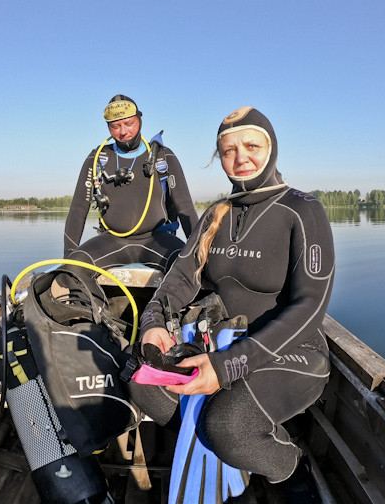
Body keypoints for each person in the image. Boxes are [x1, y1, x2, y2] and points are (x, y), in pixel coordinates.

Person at [130, 106, 335, 496]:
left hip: (294, 352)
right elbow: (179, 281)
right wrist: (153, 322)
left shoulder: (302, 210)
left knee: (228, 425)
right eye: (228, 150)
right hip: (224, 344)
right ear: (219, 157)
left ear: (271, 149)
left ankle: (291, 472)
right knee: (142, 380)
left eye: (252, 145)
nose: (241, 157)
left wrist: (226, 368)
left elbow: (310, 306)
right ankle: (226, 448)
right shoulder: (216, 215)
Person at [63, 94, 199, 275]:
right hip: (111, 241)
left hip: (157, 241)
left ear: (140, 120)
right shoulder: (98, 159)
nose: (123, 131)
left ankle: (162, 304)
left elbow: (185, 207)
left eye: (129, 123)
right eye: (115, 126)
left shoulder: (163, 157)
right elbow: (79, 208)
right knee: (73, 268)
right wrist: (69, 257)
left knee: (189, 270)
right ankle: (100, 304)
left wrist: (199, 254)